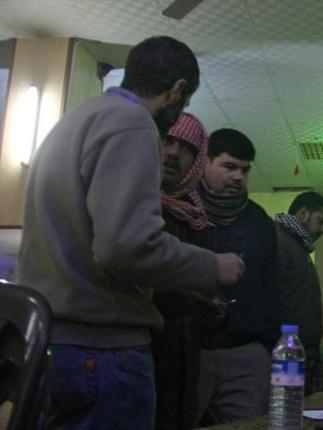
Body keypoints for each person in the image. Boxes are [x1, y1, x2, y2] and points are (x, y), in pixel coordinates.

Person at [16, 36, 244, 429]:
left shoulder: (77, 118)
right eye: (184, 104)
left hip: (52, 344)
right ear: (177, 91)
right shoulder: (134, 124)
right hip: (102, 352)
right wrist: (213, 266)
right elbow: (126, 247)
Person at [191, 128, 279, 425]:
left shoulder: (259, 222)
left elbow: (271, 287)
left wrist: (265, 346)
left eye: (245, 170)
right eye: (229, 167)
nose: (239, 176)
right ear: (205, 163)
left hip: (246, 354)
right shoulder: (181, 208)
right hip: (190, 350)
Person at [152, 112, 226, 430]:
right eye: (167, 140)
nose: (172, 153)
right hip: (133, 356)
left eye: (186, 148)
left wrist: (214, 311)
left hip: (183, 363)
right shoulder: (129, 201)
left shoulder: (195, 218)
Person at [273, 191, 323, 395]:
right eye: (321, 221)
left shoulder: (298, 247)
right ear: (302, 214)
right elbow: (272, 298)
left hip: (298, 353)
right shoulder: (280, 241)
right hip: (288, 355)